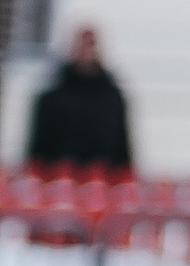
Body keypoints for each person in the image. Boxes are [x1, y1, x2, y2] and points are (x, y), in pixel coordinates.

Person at [27, 22, 131, 169]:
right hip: (59, 179)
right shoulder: (52, 98)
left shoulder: (112, 98)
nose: (86, 52)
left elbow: (123, 148)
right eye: (82, 45)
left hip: (101, 179)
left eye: (90, 45)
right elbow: (37, 149)